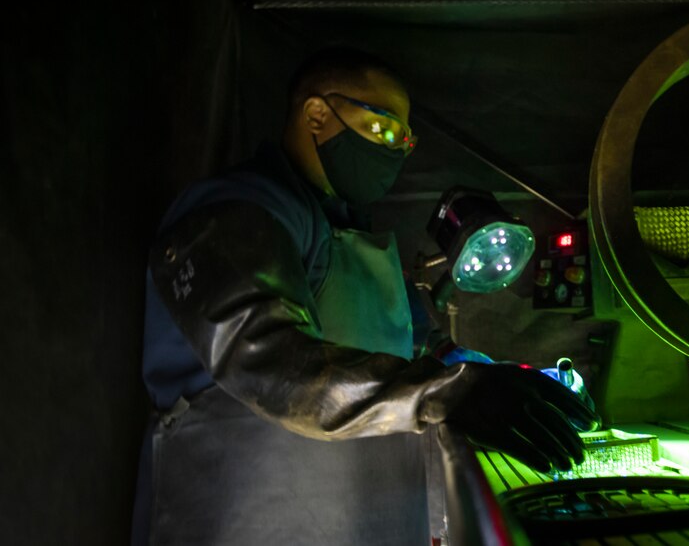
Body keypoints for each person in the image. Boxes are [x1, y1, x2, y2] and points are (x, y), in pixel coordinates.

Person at [132, 47, 598, 545]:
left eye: (406, 140)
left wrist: (497, 376)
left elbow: (422, 349)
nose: (396, 150)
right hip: (244, 510)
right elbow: (267, 358)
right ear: (316, 114)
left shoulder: (349, 231)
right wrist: (449, 393)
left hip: (349, 514)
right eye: (385, 130)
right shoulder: (240, 208)